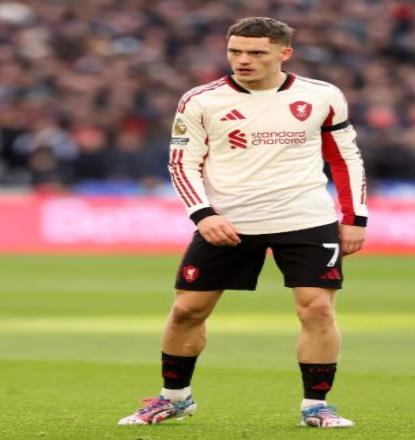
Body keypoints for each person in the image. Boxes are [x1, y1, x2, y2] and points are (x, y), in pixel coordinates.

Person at [118, 16, 367, 429]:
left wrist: (355, 216)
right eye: (235, 51)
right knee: (187, 310)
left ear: (284, 53)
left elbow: (345, 157)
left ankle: (316, 406)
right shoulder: (201, 100)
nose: (243, 60)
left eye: (255, 52)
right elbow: (182, 163)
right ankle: (175, 398)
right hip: (230, 221)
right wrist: (203, 214)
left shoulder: (323, 96)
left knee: (318, 309)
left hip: (305, 217)